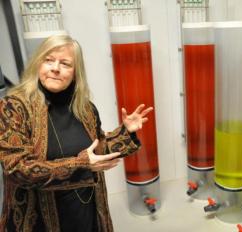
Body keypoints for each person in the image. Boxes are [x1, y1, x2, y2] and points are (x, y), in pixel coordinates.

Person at [0, 34, 153, 232]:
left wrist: (126, 133)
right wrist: (80, 164)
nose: (55, 68)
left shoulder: (85, 108)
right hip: (39, 222)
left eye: (65, 63)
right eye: (48, 60)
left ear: (75, 72)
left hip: (86, 212)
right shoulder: (12, 108)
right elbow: (16, 169)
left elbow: (96, 151)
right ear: (38, 64)